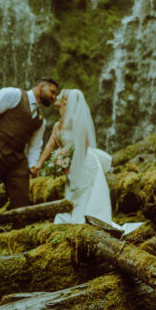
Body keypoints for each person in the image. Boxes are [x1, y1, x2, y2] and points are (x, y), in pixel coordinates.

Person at [0, 78, 59, 245]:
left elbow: (35, 145)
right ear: (41, 86)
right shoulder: (12, 94)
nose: (53, 97)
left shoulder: (40, 120)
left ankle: (18, 237)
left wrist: (32, 165)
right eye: (52, 92)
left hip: (17, 160)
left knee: (21, 199)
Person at [33, 88, 113, 224]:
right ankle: (76, 219)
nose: (56, 97)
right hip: (69, 164)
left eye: (60, 96)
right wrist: (39, 164)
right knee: (72, 193)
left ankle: (86, 220)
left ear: (65, 101)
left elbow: (85, 143)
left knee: (84, 193)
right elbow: (50, 145)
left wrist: (72, 162)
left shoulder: (77, 121)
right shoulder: (58, 125)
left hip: (84, 163)